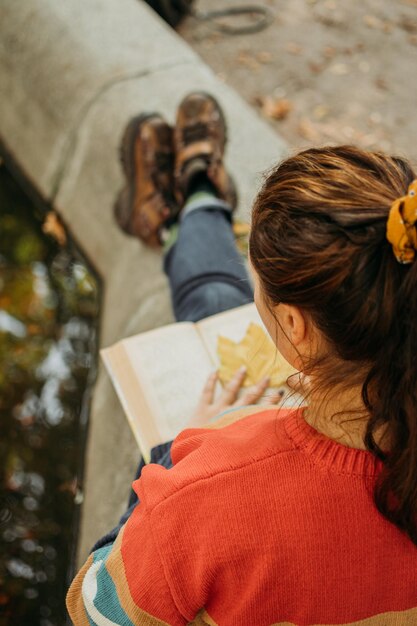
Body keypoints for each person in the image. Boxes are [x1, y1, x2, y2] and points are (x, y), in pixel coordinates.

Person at [66, 92, 417, 625]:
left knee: (209, 297)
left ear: (296, 328)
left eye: (259, 285)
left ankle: (192, 201)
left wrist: (170, 455)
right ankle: (195, 196)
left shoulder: (210, 490)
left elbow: (93, 609)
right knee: (211, 294)